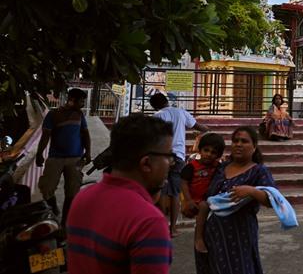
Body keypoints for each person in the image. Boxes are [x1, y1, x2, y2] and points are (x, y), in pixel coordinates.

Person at [67, 113, 174, 273]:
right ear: (146, 163)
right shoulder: (148, 222)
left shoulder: (83, 197)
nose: (172, 163)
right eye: (169, 156)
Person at [195, 127, 275, 274]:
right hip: (211, 235)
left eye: (244, 141)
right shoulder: (222, 167)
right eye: (235, 141)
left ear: (254, 147)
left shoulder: (259, 171)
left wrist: (251, 191)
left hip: (239, 237)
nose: (238, 144)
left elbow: (272, 200)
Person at [150, 92, 209, 237]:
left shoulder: (157, 116)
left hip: (163, 155)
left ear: (155, 106)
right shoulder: (181, 112)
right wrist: (207, 130)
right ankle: (173, 228)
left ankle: (162, 227)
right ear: (166, 101)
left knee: (162, 191)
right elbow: (197, 126)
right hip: (178, 156)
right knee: (175, 193)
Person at [36, 87, 91, 227]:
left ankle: (65, 223)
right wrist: (39, 153)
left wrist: (88, 152)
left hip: (75, 159)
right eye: (81, 101)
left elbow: (85, 134)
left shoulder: (80, 115)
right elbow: (45, 136)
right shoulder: (53, 115)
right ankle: (54, 208)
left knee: (72, 191)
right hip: (55, 157)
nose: (83, 105)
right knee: (46, 188)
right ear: (71, 100)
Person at [181, 132, 226, 218]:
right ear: (200, 150)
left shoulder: (219, 168)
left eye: (213, 152)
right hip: (194, 202)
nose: (209, 154)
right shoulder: (191, 166)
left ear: (218, 155)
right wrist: (188, 200)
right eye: (206, 150)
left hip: (211, 203)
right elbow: (184, 182)